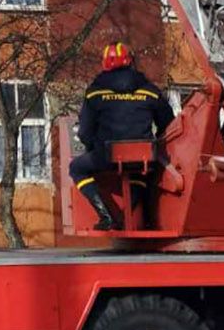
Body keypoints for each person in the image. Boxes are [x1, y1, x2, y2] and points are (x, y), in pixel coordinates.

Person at [69, 42, 175, 231]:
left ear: (105, 63)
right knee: (143, 172)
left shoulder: (95, 92)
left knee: (77, 168)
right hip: (143, 157)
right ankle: (132, 215)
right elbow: (168, 124)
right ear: (129, 62)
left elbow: (85, 132)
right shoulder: (149, 90)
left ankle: (106, 216)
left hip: (107, 155)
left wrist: (92, 147)